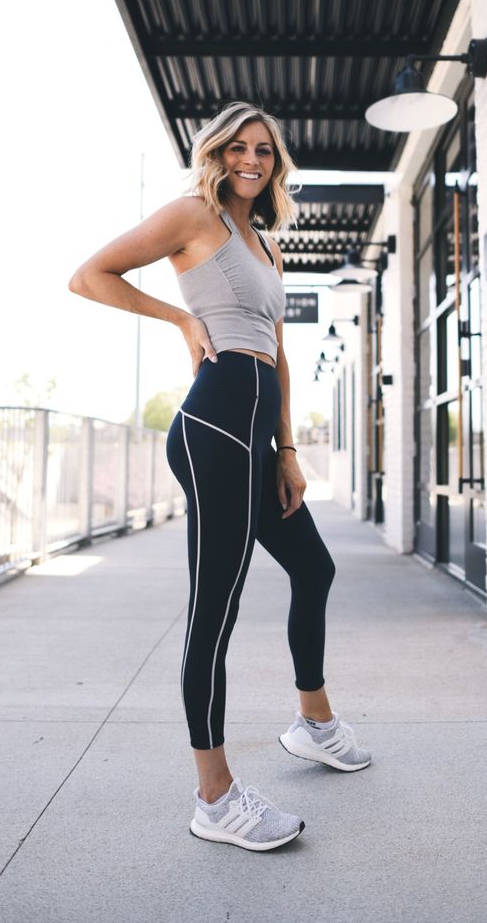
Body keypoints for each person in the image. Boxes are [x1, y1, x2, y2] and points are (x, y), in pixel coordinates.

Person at [68, 100, 371, 852]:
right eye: (238, 146)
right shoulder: (190, 216)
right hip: (211, 428)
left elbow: (278, 348)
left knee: (314, 566)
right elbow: (89, 275)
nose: (251, 159)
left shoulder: (264, 243)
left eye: (264, 150)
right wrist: (177, 319)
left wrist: (290, 450)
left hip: (256, 437)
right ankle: (215, 796)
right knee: (217, 606)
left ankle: (313, 723)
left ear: (275, 164)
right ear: (216, 153)